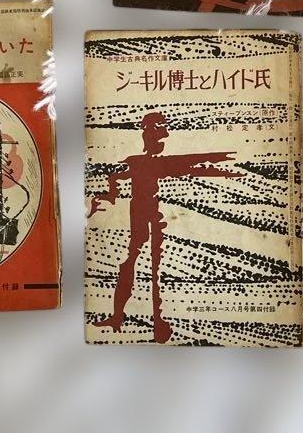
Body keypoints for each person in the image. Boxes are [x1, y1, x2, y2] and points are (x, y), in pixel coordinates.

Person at [87, 111, 240, 341]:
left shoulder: (147, 161)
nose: (162, 134)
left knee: (150, 268)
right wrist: (110, 193)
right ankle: (125, 318)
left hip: (154, 219)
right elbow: (118, 177)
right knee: (136, 265)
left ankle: (150, 321)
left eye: (161, 129)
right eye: (157, 129)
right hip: (143, 218)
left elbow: (196, 166)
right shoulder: (139, 162)